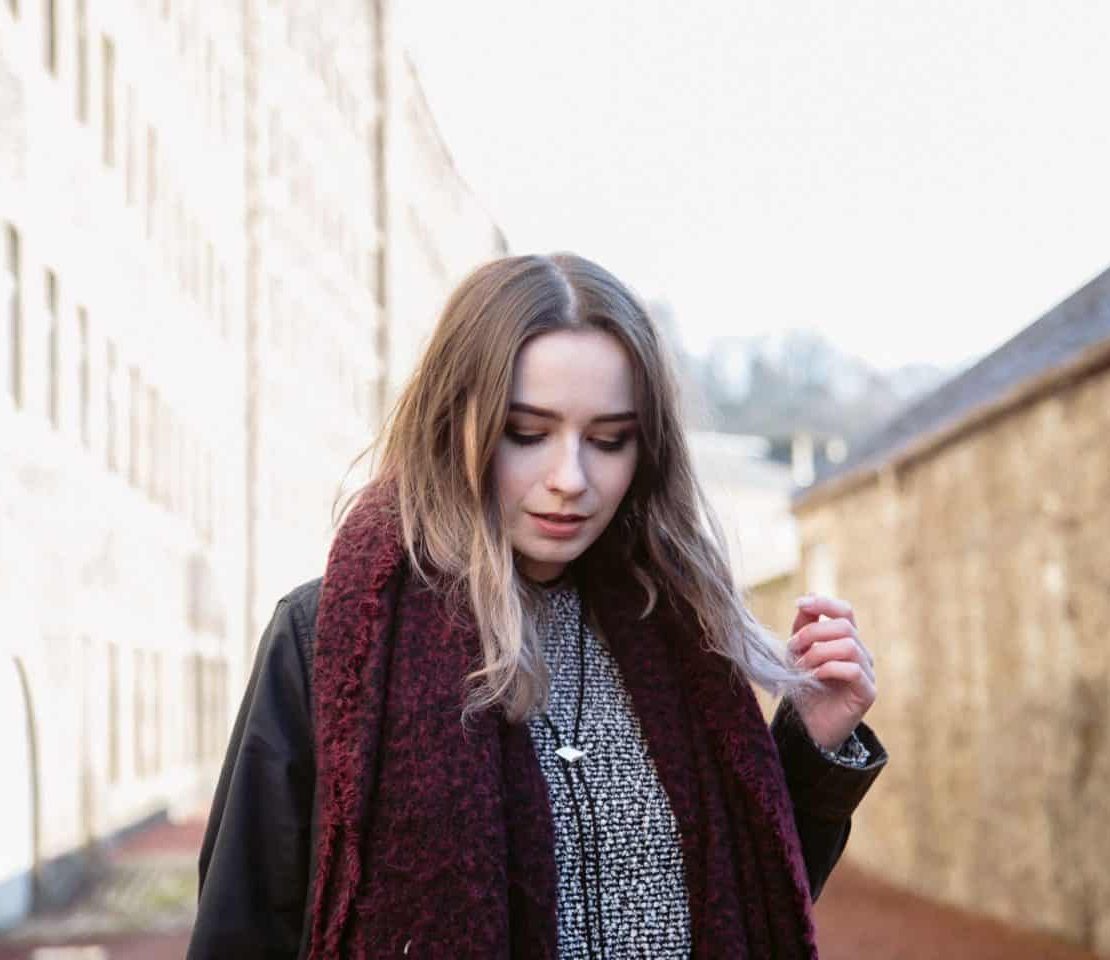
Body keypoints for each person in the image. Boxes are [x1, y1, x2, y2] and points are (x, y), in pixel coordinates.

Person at [187, 253, 887, 960]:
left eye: (609, 440)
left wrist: (812, 744)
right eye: (526, 432)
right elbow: (243, 931)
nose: (571, 479)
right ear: (455, 420)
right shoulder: (330, 639)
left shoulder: (686, 635)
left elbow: (754, 901)